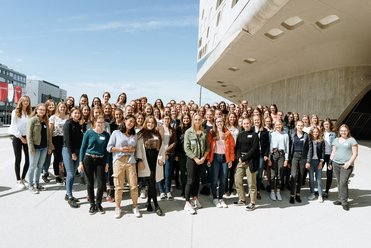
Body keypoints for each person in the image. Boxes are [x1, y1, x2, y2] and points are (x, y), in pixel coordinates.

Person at [107, 115, 141, 218]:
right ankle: (118, 207)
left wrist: (132, 149)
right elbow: (109, 148)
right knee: (118, 186)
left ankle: (135, 206)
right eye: (130, 121)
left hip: (131, 161)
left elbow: (136, 148)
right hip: (119, 161)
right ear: (125, 121)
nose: (131, 123)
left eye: (133, 122)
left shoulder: (134, 135)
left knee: (134, 185)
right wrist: (121, 149)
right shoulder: (116, 133)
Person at [79, 115, 110, 215]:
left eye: (102, 123)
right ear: (94, 122)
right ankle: (92, 204)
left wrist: (107, 163)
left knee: (101, 184)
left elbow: (107, 151)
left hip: (100, 160)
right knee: (90, 183)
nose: (100, 124)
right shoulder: (89, 132)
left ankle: (98, 203)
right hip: (88, 159)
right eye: (99, 122)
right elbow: (82, 148)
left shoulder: (106, 135)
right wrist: (80, 162)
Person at [136, 116, 166, 216]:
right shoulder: (141, 134)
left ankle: (149, 202)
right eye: (148, 122)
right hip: (146, 161)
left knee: (152, 182)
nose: (150, 124)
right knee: (151, 182)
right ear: (145, 123)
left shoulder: (157, 133)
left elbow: (162, 147)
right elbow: (139, 148)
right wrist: (140, 160)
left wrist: (162, 159)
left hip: (155, 162)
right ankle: (156, 205)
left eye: (152, 123)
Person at [183, 114, 210, 214]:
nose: (197, 121)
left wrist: (203, 157)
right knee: (190, 180)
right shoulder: (188, 132)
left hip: (202, 160)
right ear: (193, 120)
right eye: (195, 119)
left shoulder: (204, 132)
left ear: (201, 120)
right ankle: (187, 202)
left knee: (197, 180)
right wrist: (195, 158)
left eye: (199, 119)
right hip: (192, 160)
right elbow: (187, 148)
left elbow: (207, 146)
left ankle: (194, 198)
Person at [207, 117, 235, 208]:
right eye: (217, 121)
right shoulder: (212, 133)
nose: (219, 123)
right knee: (214, 179)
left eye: (221, 121)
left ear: (223, 122)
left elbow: (231, 147)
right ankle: (215, 198)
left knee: (223, 179)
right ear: (215, 122)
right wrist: (208, 159)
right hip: (215, 157)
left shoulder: (227, 133)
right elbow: (208, 147)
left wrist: (230, 159)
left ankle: (221, 198)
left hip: (224, 158)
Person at [330, 124, 358, 211]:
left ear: (348, 131)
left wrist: (349, 163)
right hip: (336, 164)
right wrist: (330, 162)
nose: (343, 132)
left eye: (345, 130)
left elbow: (355, 154)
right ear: (339, 132)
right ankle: (340, 199)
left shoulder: (352, 140)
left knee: (343, 182)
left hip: (346, 165)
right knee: (339, 182)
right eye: (341, 131)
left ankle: (345, 202)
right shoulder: (336, 140)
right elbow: (333, 152)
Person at [234, 118, 259, 211]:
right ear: (242, 125)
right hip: (241, 161)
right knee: (237, 180)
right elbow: (237, 148)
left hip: (250, 161)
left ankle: (252, 202)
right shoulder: (240, 135)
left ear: (250, 123)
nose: (246, 125)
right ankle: (242, 199)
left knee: (251, 183)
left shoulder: (254, 135)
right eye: (244, 123)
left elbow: (254, 149)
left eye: (248, 123)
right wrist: (239, 158)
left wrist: (244, 158)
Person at [26, 103, 51, 194]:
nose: (42, 111)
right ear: (36, 110)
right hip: (35, 148)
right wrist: (31, 148)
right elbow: (29, 136)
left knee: (40, 167)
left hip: (44, 148)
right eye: (40, 109)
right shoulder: (32, 120)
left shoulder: (45, 121)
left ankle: (37, 184)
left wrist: (48, 146)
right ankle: (30, 185)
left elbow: (47, 135)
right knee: (32, 166)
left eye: (43, 110)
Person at [8, 95, 32, 189]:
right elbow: (13, 126)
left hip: (27, 137)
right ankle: (18, 180)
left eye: (27, 101)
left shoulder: (29, 113)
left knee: (28, 159)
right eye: (24, 101)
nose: (26, 102)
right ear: (21, 102)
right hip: (17, 137)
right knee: (18, 159)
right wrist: (21, 137)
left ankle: (23, 178)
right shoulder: (15, 112)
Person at [62, 107, 83, 208]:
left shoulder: (78, 125)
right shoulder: (68, 124)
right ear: (71, 114)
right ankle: (70, 197)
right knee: (70, 174)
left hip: (78, 151)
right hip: (69, 151)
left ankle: (67, 193)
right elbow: (67, 140)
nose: (77, 115)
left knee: (73, 173)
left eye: (78, 113)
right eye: (75, 113)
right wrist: (72, 153)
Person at [268, 120, 289, 201]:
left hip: (281, 155)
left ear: (282, 125)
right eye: (276, 124)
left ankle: (278, 191)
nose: (278, 126)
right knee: (273, 174)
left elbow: (287, 148)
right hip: (273, 155)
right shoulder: (271, 134)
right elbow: (269, 146)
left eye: (279, 124)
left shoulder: (285, 135)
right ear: (274, 125)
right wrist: (269, 158)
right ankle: (272, 191)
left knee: (280, 174)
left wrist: (286, 159)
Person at [288, 120, 309, 204]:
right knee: (293, 175)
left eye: (301, 125)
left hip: (303, 157)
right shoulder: (292, 135)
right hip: (294, 156)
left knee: (300, 176)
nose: (300, 127)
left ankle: (298, 194)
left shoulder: (306, 135)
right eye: (298, 125)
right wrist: (289, 160)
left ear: (303, 126)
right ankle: (292, 195)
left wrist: (308, 160)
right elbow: (289, 148)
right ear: (296, 126)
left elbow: (309, 148)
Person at [157, 115, 177, 200]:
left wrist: (167, 151)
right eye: (165, 118)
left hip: (169, 154)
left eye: (168, 119)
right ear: (162, 119)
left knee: (167, 174)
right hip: (160, 154)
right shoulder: (158, 129)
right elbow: (156, 141)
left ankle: (168, 191)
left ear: (170, 120)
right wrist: (162, 152)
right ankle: (162, 192)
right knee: (160, 174)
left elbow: (174, 142)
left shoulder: (173, 130)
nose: (166, 120)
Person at [49, 102, 69, 184]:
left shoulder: (68, 117)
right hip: (56, 139)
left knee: (65, 158)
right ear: (58, 108)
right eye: (61, 107)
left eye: (64, 107)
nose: (63, 108)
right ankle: (57, 176)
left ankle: (65, 176)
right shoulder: (53, 117)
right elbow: (50, 131)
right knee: (56, 158)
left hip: (65, 139)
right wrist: (50, 143)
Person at [252, 115, 270, 200]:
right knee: (252, 172)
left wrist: (266, 154)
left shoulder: (265, 130)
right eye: (255, 120)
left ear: (260, 120)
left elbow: (267, 144)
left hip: (261, 154)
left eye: (258, 120)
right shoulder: (251, 130)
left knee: (259, 173)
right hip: (252, 154)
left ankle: (258, 191)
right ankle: (252, 190)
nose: (256, 121)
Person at [306, 127, 325, 202]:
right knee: (311, 179)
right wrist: (307, 162)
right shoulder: (309, 140)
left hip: (318, 162)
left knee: (319, 179)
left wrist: (321, 162)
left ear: (319, 133)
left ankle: (320, 195)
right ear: (311, 133)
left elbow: (323, 152)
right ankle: (312, 193)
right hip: (311, 162)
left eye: (317, 132)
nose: (315, 133)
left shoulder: (321, 141)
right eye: (314, 132)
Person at [175, 113, 192, 197]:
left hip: (190, 154)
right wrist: (176, 154)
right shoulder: (178, 129)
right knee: (182, 172)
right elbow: (176, 142)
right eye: (184, 118)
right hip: (181, 153)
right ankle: (184, 190)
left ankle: (189, 190)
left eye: (187, 118)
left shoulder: (192, 128)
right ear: (182, 119)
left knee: (190, 172)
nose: (186, 120)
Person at [321, 118, 337, 198]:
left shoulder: (334, 134)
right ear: (323, 125)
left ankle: (326, 191)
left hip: (331, 156)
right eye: (325, 124)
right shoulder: (321, 133)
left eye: (327, 124)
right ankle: (320, 189)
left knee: (329, 174)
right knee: (318, 172)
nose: (326, 125)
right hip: (322, 156)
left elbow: (336, 146)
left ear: (330, 124)